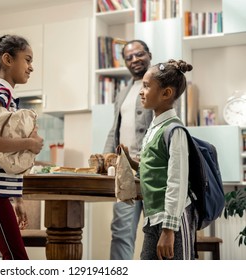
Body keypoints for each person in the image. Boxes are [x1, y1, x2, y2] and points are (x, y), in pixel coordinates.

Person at [0, 34, 44, 260]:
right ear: (7, 60)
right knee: (16, 257)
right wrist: (30, 143)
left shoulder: (5, 95)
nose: (31, 67)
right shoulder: (1, 94)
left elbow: (5, 157)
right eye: (28, 60)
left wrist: (18, 198)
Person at [123, 59, 196, 260]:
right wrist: (130, 161)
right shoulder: (154, 129)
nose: (141, 91)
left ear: (166, 93)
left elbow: (177, 182)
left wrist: (169, 230)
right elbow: (154, 170)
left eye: (146, 86)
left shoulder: (174, 130)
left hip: (173, 222)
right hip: (153, 219)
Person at [104, 40, 153, 260]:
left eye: (139, 54)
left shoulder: (160, 86)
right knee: (121, 233)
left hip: (154, 172)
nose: (135, 60)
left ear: (149, 55)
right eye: (129, 57)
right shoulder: (122, 93)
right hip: (125, 174)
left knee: (157, 235)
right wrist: (107, 157)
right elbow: (114, 129)